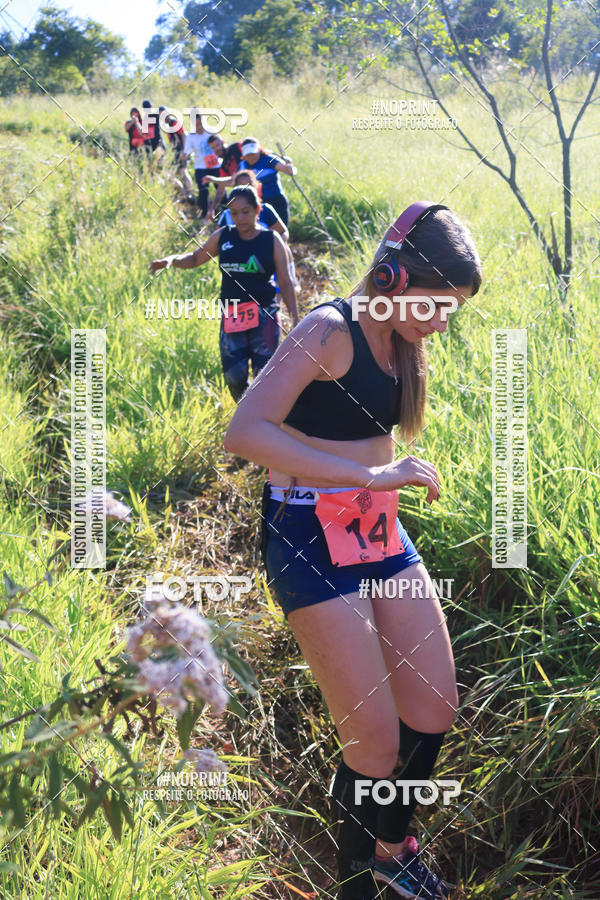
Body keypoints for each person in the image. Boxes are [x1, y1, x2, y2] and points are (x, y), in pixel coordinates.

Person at [223, 202, 482, 899]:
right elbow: (245, 431)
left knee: (433, 706)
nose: (440, 321)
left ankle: (393, 855)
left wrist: (380, 485)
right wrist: (369, 475)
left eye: (450, 309)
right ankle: (356, 886)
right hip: (307, 533)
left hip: (374, 529)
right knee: (374, 746)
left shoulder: (401, 340)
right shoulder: (327, 329)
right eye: (434, 303)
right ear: (394, 275)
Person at [149, 185, 298, 401]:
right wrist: (170, 261)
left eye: (245, 211)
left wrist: (294, 318)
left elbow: (285, 281)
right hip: (233, 315)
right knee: (234, 376)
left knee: (265, 376)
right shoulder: (223, 237)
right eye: (234, 213)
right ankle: (247, 409)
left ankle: (263, 420)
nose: (240, 218)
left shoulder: (271, 240)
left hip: (264, 315)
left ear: (257, 210)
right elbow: (194, 258)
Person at [238, 137, 296, 226]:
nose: (251, 157)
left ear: (258, 150)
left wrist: (289, 166)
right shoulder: (242, 165)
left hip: (276, 200)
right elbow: (232, 181)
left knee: (281, 232)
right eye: (248, 154)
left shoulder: (269, 159)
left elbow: (290, 171)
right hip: (257, 204)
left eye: (253, 153)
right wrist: (214, 179)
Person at [182, 112, 221, 218]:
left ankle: (224, 211)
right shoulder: (191, 136)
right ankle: (205, 216)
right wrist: (184, 156)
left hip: (215, 166)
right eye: (196, 125)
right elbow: (187, 151)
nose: (199, 127)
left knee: (221, 189)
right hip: (201, 167)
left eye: (200, 124)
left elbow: (220, 144)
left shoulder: (211, 131)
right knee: (203, 191)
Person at [203, 134, 244, 221]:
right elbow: (220, 190)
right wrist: (212, 208)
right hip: (245, 195)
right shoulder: (223, 167)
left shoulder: (237, 147)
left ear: (222, 142)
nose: (216, 149)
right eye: (213, 148)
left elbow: (255, 151)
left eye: (217, 145)